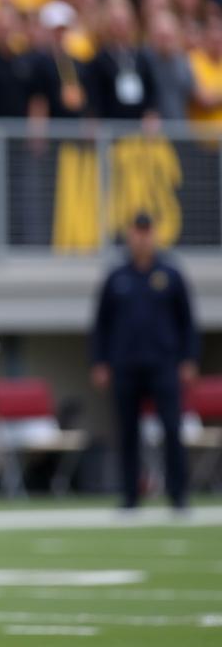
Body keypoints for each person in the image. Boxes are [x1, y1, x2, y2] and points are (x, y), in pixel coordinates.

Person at [91, 212, 197, 510]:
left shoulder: (171, 274)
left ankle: (178, 494)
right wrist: (100, 361)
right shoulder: (117, 277)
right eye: (137, 232)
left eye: (146, 232)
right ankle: (130, 495)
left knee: (172, 428)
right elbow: (101, 323)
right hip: (125, 364)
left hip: (163, 363)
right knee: (127, 431)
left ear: (154, 234)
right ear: (130, 235)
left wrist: (189, 358)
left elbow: (186, 320)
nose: (142, 238)